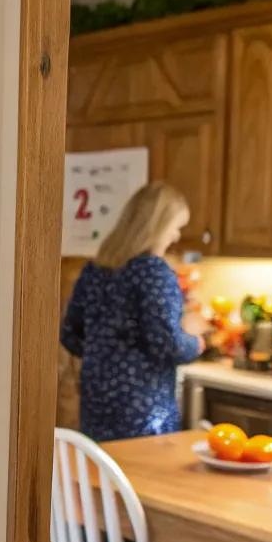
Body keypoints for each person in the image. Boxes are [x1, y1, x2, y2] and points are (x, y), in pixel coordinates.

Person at [60, 181, 206, 442]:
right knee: (142, 479)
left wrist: (106, 355)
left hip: (98, 403)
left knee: (103, 477)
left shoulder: (95, 270)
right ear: (157, 227)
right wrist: (196, 340)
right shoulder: (153, 272)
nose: (176, 237)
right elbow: (167, 345)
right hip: (144, 410)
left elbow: (70, 333)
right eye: (175, 228)